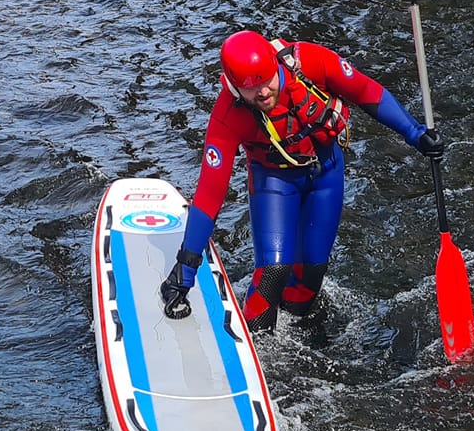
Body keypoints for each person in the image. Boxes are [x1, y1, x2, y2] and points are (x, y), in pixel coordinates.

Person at [160, 29, 444, 331]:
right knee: (274, 269)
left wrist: (416, 135)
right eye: (251, 89)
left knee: (312, 271)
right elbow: (209, 195)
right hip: (273, 181)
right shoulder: (227, 117)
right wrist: (185, 268)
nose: (263, 93)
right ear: (233, 87)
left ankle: (298, 330)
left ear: (275, 64)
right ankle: (258, 342)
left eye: (266, 81)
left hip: (326, 172)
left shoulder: (311, 61)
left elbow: (365, 91)